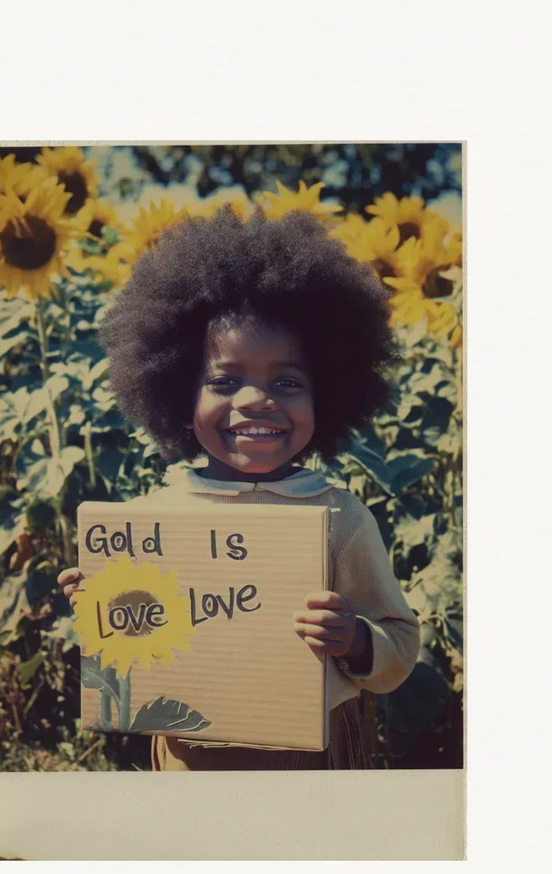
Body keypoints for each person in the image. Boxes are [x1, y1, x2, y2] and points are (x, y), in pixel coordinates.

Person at [58, 206, 420, 769]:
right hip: (188, 754)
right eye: (225, 381)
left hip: (312, 757)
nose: (256, 400)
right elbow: (132, 649)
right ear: (178, 397)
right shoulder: (150, 524)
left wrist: (355, 639)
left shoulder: (340, 520)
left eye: (287, 382)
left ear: (328, 397)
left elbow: (400, 642)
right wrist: (100, 606)